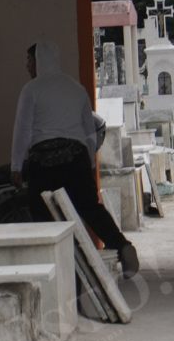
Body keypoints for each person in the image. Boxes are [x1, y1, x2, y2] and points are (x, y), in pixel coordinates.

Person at [11, 41, 140, 278]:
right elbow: (89, 131)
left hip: (44, 162)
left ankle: (54, 267)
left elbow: (22, 130)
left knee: (42, 211)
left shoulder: (31, 89)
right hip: (76, 158)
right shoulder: (76, 88)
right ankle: (123, 247)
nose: (28, 66)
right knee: (90, 208)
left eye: (30, 60)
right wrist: (88, 163)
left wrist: (16, 166)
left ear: (40, 60)